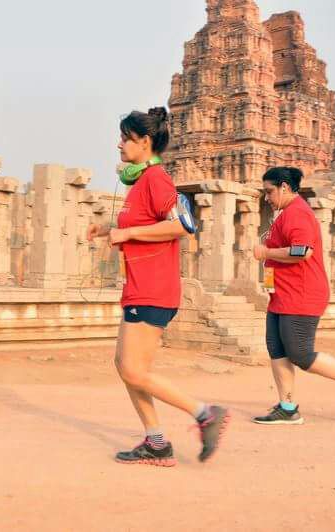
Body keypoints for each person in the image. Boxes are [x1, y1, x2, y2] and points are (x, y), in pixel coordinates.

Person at [87, 107, 229, 466]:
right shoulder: (139, 183)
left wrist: (127, 233)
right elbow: (142, 224)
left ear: (145, 142)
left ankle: (205, 414)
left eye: (126, 138)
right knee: (126, 366)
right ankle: (156, 442)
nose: (119, 144)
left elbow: (183, 225)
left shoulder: (156, 179)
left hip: (154, 289)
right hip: (138, 288)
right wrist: (107, 228)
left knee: (134, 370)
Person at [251, 166, 335, 425]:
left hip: (302, 294)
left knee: (300, 354)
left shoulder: (298, 213)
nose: (267, 197)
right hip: (282, 295)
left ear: (284, 188)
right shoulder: (285, 214)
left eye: (269, 191)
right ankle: (287, 408)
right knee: (277, 350)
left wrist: (266, 253)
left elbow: (302, 251)